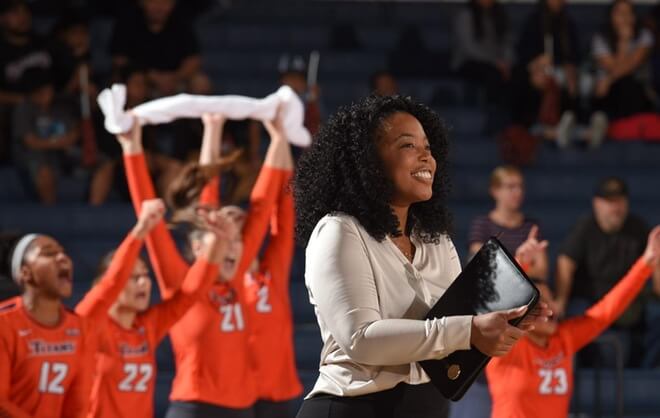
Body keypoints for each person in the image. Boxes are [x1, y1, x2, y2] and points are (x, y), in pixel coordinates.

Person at [293, 94, 550, 418]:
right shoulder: (340, 231)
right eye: (407, 145)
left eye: (428, 147)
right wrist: (470, 330)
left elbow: (452, 334)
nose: (425, 156)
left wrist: (504, 323)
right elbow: (361, 340)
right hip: (352, 408)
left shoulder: (437, 240)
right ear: (368, 161)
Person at [117, 111, 293, 418]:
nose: (230, 243)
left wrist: (279, 139)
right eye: (219, 237)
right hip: (194, 407)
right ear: (198, 247)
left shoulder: (237, 274)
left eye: (235, 238)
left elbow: (263, 206)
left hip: (243, 409)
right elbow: (155, 220)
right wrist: (131, 147)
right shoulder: (180, 281)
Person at [75, 198, 235, 418]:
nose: (144, 282)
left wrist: (218, 242)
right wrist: (140, 231)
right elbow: (110, 283)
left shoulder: (147, 326)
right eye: (133, 277)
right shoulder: (89, 324)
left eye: (145, 276)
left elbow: (190, 294)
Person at [486, 226, 660, 418]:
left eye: (551, 299)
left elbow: (607, 311)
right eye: (540, 302)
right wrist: (520, 264)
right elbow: (494, 307)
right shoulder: (507, 343)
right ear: (520, 311)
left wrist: (646, 264)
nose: (549, 307)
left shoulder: (564, 339)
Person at [554, 177, 660, 366]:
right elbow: (565, 260)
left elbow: (655, 261)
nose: (616, 207)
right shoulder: (585, 227)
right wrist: (561, 300)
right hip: (592, 304)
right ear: (597, 203)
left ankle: (649, 373)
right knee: (579, 323)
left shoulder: (638, 228)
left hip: (627, 302)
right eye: (610, 201)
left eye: (620, 201)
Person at [0, 233, 96, 417]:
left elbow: (78, 406)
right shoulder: (4, 323)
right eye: (48, 253)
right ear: (25, 273)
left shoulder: (81, 328)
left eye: (63, 252)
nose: (62, 258)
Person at [110, 0, 207, 97]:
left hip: (175, 78)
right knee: (134, 85)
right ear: (142, 2)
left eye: (165, 2)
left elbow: (193, 59)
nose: (159, 7)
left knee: (201, 83)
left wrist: (175, 77)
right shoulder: (128, 21)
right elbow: (120, 61)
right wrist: (151, 76)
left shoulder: (182, 20)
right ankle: (132, 112)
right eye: (153, 2)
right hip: (141, 77)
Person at [11, 68, 79, 205]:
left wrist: (63, 142)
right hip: (33, 155)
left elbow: (74, 133)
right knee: (43, 169)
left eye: (49, 90)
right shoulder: (24, 109)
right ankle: (50, 212)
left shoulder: (59, 106)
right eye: (42, 92)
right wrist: (58, 143)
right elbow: (30, 142)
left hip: (62, 154)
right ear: (33, 93)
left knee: (100, 160)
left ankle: (93, 213)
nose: (47, 95)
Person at [590, 0, 655, 140]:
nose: (625, 17)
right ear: (612, 16)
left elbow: (633, 65)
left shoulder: (645, 35)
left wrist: (608, 80)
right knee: (612, 88)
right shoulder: (600, 38)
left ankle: (607, 129)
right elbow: (614, 67)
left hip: (635, 92)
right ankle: (602, 128)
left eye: (628, 13)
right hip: (608, 94)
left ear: (634, 16)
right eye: (620, 13)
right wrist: (623, 42)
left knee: (627, 83)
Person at [468, 165, 548, 280]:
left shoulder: (531, 225)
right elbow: (481, 265)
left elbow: (541, 271)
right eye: (511, 187)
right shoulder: (482, 224)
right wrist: (522, 264)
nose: (518, 192)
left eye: (520, 186)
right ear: (495, 191)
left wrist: (505, 268)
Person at [0, 0, 53, 163]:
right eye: (15, 13)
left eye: (25, 11)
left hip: (51, 102)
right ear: (2, 18)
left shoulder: (43, 43)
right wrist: (27, 99)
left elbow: (63, 77)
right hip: (15, 107)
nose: (23, 17)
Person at [451, 0, 513, 104]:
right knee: (493, 75)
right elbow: (469, 48)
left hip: (498, 63)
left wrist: (507, 62)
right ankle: (493, 109)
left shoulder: (499, 15)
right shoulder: (466, 15)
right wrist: (495, 62)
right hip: (468, 62)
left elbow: (507, 43)